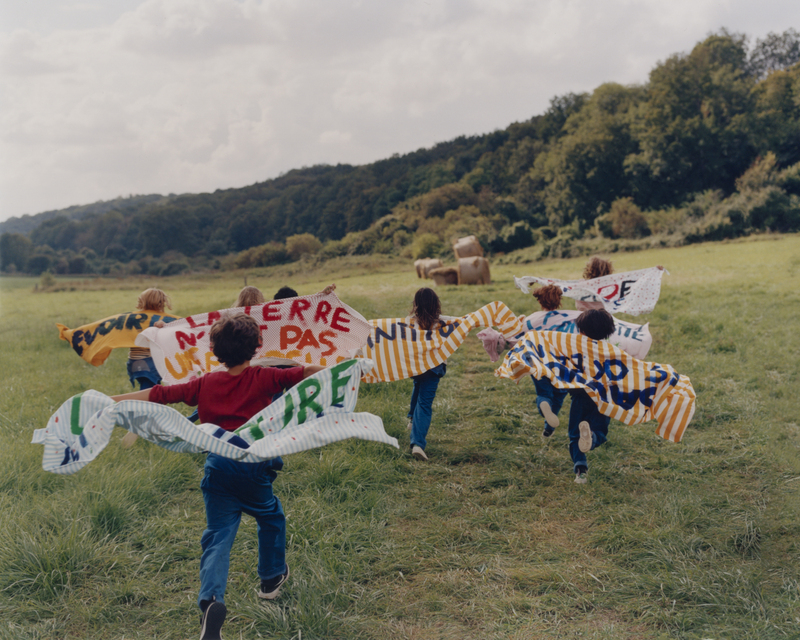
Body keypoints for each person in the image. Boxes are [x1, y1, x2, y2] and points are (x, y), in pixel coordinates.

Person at [111, 313, 325, 639]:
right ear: (256, 347)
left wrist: (112, 402)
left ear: (214, 350)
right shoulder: (264, 377)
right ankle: (270, 580)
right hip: (253, 467)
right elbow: (307, 373)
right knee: (271, 517)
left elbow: (159, 395)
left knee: (218, 535)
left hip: (218, 468)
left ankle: (211, 601)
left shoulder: (205, 383)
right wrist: (343, 372)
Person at [567, 309, 616, 484]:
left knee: (574, 436)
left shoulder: (574, 351)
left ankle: (581, 472)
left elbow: (565, 373)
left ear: (581, 331)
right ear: (608, 332)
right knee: (600, 431)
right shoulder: (611, 351)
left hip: (580, 397)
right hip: (603, 398)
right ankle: (593, 438)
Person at [406, 288, 448, 462]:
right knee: (424, 404)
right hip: (433, 368)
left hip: (415, 367)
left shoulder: (408, 323)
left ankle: (411, 419)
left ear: (416, 304)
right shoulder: (443, 324)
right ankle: (417, 444)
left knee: (418, 386)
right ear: (435, 303)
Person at [529, 285, 568, 438]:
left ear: (540, 301)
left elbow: (520, 335)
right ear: (559, 300)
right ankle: (548, 428)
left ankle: (544, 404)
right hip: (560, 364)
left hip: (538, 363)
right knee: (559, 394)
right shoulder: (567, 319)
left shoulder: (533, 319)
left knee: (543, 393)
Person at [126, 288, 175, 390]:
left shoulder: (132, 318)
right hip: (149, 362)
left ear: (141, 301)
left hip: (134, 362)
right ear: (162, 303)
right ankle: (138, 405)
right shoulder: (162, 321)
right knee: (149, 393)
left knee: (152, 390)